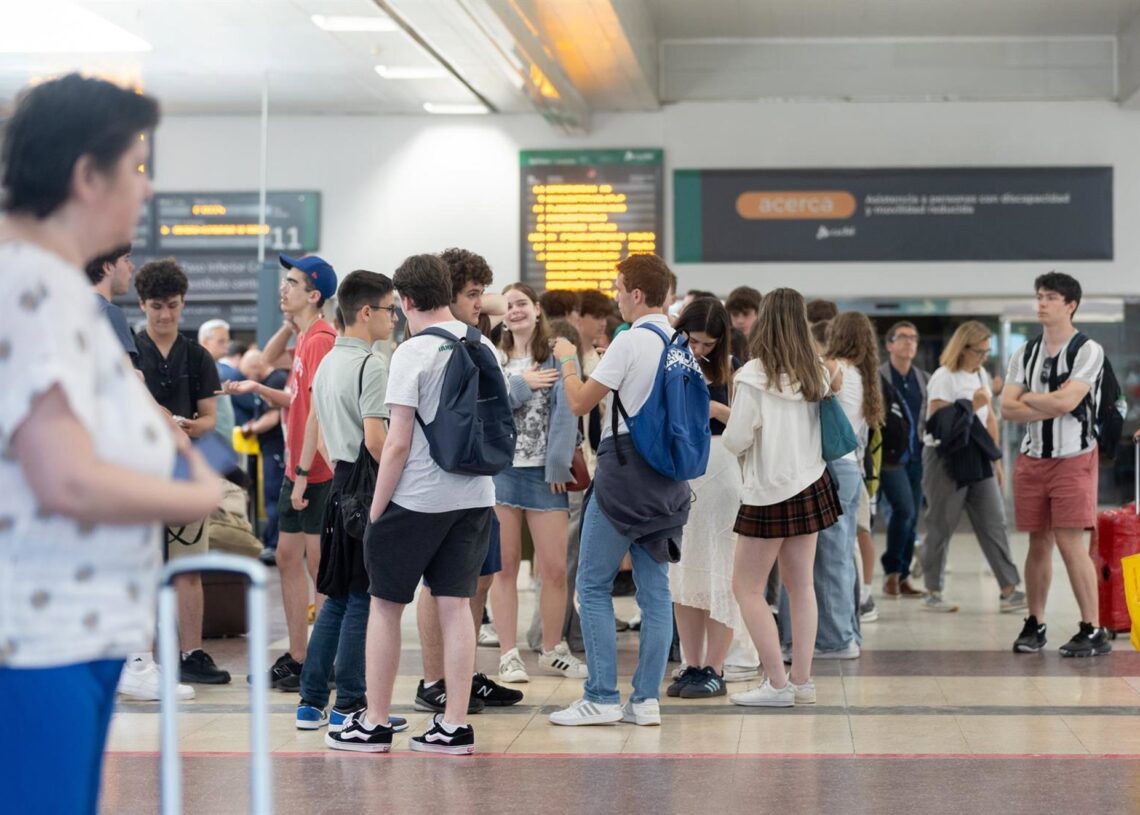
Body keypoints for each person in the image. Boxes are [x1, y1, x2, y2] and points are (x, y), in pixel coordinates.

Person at [0, 73, 221, 815]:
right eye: (133, 165)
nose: (147, 187)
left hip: (76, 625)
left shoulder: (58, 290)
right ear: (84, 176)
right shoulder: (28, 287)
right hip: (35, 634)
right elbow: (66, 477)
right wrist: (194, 493)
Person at [327, 254, 498, 755]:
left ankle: (375, 721)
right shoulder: (481, 342)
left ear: (404, 302)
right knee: (456, 607)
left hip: (418, 499)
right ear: (447, 292)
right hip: (476, 495)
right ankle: (453, 725)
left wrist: (378, 509)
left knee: (384, 607)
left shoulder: (411, 353)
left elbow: (396, 443)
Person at [547, 253, 686, 727]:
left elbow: (579, 399)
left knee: (591, 583)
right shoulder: (679, 342)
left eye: (619, 289)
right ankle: (645, 700)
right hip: (669, 479)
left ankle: (602, 695)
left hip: (624, 474)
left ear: (637, 294)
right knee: (655, 589)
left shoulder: (630, 342)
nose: (616, 298)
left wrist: (568, 362)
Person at [294, 270, 408, 734]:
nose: (395, 317)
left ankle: (311, 702)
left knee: (336, 595)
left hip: (338, 482)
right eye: (389, 309)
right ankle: (352, 703)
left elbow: (319, 434)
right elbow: (378, 440)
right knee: (364, 595)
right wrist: (396, 481)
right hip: (367, 484)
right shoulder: (372, 364)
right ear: (366, 312)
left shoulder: (328, 363)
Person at [413, 247, 521, 713]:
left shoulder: (476, 340)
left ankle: (462, 671)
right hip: (436, 485)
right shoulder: (428, 346)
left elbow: (497, 304)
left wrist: (477, 300)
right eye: (472, 294)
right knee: (439, 585)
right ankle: (433, 680)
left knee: (479, 578)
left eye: (482, 293)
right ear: (445, 295)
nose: (483, 302)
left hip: (478, 484)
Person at [722, 288, 841, 707]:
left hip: (768, 491)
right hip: (811, 485)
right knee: (801, 586)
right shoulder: (818, 374)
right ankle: (802, 681)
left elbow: (736, 440)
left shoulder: (752, 377)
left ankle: (776, 684)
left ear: (764, 322)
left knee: (747, 588)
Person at [224, 254, 338, 689]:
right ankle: (298, 654)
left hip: (317, 470)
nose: (282, 288)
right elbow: (270, 370)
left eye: (291, 283)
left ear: (314, 294)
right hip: (298, 466)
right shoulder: (306, 335)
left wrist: (306, 473)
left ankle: (322, 661)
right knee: (288, 557)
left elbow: (317, 413)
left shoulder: (321, 339)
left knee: (318, 564)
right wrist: (258, 386)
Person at [1001, 272, 1111, 657]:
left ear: (1070, 304)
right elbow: (1006, 408)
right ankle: (1035, 622)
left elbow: (1068, 404)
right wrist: (1045, 399)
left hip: (1074, 459)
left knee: (1069, 542)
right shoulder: (1024, 352)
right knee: (1037, 542)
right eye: (1039, 296)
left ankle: (1092, 627)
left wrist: (1027, 399)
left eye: (1050, 297)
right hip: (1032, 459)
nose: (1042, 303)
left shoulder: (1087, 350)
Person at [134, 258, 230, 684]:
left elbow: (210, 417)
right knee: (147, 565)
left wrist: (191, 426)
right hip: (140, 471)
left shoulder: (198, 355)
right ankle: (146, 657)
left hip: (187, 466)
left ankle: (192, 652)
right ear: (142, 305)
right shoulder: (131, 353)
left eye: (172, 305)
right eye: (157, 306)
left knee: (190, 565)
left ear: (183, 303)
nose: (165, 314)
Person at [490, 283, 587, 683]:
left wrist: (558, 465)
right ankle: (508, 653)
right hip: (502, 473)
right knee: (506, 567)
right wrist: (522, 382)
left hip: (544, 474)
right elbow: (489, 406)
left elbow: (569, 413)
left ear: (537, 308)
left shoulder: (559, 352)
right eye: (508, 305)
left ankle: (552, 649)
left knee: (554, 569)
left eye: (522, 304)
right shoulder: (493, 356)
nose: (514, 311)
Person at [785, 311, 883, 660]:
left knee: (827, 559)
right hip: (852, 472)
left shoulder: (834, 368)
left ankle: (835, 639)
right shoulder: (864, 376)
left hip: (830, 471)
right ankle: (846, 634)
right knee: (841, 556)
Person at [666, 298, 745, 699]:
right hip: (683, 470)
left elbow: (748, 424)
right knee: (683, 570)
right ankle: (690, 663)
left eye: (708, 344)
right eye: (693, 340)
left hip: (722, 468)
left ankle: (716, 665)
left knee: (722, 568)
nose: (699, 350)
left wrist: (712, 407)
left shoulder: (735, 370)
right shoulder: (668, 358)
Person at [919, 321, 1025, 613]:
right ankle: (932, 590)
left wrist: (996, 461)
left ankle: (1008, 588)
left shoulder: (980, 373)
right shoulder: (944, 377)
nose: (983, 357)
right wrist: (970, 401)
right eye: (979, 351)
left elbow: (988, 417)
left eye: (986, 352)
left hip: (977, 455)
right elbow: (939, 422)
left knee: (995, 521)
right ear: (963, 348)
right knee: (941, 524)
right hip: (945, 457)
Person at [878, 321, 930, 599]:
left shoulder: (924, 379)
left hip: (917, 457)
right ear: (889, 345)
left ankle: (902, 576)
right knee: (904, 511)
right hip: (889, 458)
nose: (910, 342)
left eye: (914, 337)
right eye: (903, 337)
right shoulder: (879, 378)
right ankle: (892, 572)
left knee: (910, 517)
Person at [85, 243, 138, 366]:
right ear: (107, 267)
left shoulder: (75, 309)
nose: (132, 267)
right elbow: (124, 380)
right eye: (126, 259)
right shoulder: (110, 313)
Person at [198, 319, 236, 448]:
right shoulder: (198, 368)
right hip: (210, 442)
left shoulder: (217, 367)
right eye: (221, 341)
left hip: (222, 441)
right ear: (205, 342)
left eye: (227, 340)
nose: (226, 345)